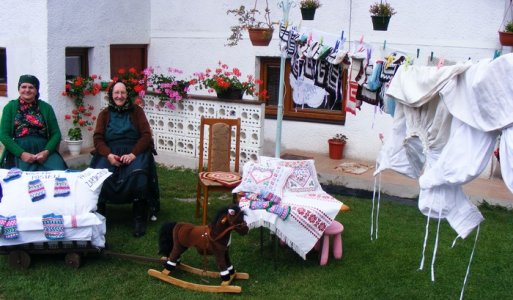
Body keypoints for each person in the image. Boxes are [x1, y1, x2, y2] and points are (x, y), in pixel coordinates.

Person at [89, 81, 160, 237]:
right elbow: (98, 138)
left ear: (127, 95)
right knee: (100, 176)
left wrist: (133, 154)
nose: (119, 96)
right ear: (111, 95)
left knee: (138, 174)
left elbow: (146, 135)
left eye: (122, 93)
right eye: (116, 93)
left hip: (134, 151)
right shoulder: (104, 114)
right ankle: (100, 216)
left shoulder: (137, 112)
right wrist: (108, 154)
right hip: (111, 151)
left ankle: (138, 218)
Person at [0, 74, 68, 171]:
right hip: (19, 150)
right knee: (22, 178)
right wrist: (21, 154)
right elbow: (4, 135)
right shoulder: (10, 107)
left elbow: (56, 134)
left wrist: (46, 152)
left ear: (36, 90)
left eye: (31, 87)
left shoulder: (46, 107)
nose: (27, 90)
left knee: (59, 172)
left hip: (44, 149)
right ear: (19, 89)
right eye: (23, 87)